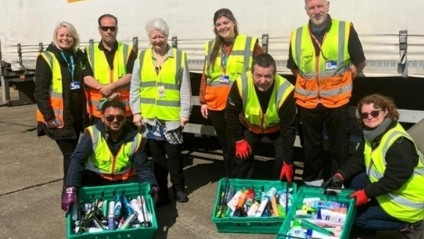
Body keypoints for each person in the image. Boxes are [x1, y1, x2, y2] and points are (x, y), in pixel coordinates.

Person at [287, 0, 366, 186]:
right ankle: (313, 181)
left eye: (320, 6)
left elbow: (360, 61)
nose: (316, 11)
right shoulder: (297, 34)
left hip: (337, 101)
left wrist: (342, 81)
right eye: (312, 7)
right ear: (306, 10)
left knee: (339, 145)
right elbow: (294, 68)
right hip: (307, 102)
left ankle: (339, 180)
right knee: (310, 146)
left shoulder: (344, 29)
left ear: (328, 6)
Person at [323, 94, 424, 239]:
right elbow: (358, 159)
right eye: (365, 115)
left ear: (386, 111)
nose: (369, 117)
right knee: (353, 180)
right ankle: (369, 228)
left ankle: (410, 226)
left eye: (375, 113)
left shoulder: (398, 142)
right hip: (392, 190)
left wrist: (366, 193)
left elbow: (394, 179)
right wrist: (340, 175)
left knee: (356, 218)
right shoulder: (372, 135)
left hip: (408, 202)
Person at [130, 18, 191, 205]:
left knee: (174, 155)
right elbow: (135, 86)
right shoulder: (141, 57)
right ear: (149, 38)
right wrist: (136, 112)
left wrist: (185, 113)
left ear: (167, 36)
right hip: (151, 118)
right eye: (154, 37)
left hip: (171, 118)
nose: (158, 40)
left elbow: (185, 88)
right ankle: (162, 192)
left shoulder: (179, 56)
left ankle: (179, 189)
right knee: (157, 158)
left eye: (161, 36)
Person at [61, 100, 159, 212]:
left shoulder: (136, 138)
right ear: (102, 117)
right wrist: (70, 188)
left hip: (125, 181)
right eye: (110, 118)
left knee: (142, 200)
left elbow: (142, 167)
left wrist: (152, 185)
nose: (115, 120)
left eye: (120, 117)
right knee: (78, 185)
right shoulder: (92, 133)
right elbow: (77, 160)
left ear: (125, 118)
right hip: (96, 180)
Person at [199, 8, 264, 177]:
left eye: (226, 22)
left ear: (233, 23)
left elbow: (263, 70)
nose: (222, 27)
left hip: (240, 106)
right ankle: (231, 181)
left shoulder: (250, 44)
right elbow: (205, 75)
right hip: (216, 105)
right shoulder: (211, 47)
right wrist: (203, 101)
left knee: (241, 145)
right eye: (218, 24)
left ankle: (243, 183)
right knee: (226, 147)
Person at [225, 53, 297, 180]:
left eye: (268, 76)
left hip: (277, 129)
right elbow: (230, 114)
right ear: (252, 73)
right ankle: (243, 190)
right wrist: (239, 140)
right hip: (250, 126)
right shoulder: (241, 84)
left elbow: (288, 129)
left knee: (283, 161)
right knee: (241, 156)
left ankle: (277, 191)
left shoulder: (286, 90)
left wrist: (288, 162)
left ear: (274, 75)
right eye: (258, 75)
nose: (262, 81)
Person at [34, 21, 87, 190]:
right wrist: (49, 117)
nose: (65, 38)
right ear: (56, 37)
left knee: (77, 154)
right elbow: (40, 91)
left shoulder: (78, 55)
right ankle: (69, 191)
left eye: (69, 35)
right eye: (61, 35)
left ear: (74, 37)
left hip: (77, 117)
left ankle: (75, 187)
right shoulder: (47, 58)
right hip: (59, 118)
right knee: (70, 155)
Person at [83, 13, 137, 123]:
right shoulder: (89, 51)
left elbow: (132, 75)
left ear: (117, 29)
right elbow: (86, 77)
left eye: (112, 28)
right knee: (99, 140)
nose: (109, 31)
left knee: (127, 140)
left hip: (124, 110)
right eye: (105, 28)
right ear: (99, 30)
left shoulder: (127, 50)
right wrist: (103, 88)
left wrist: (111, 87)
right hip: (99, 112)